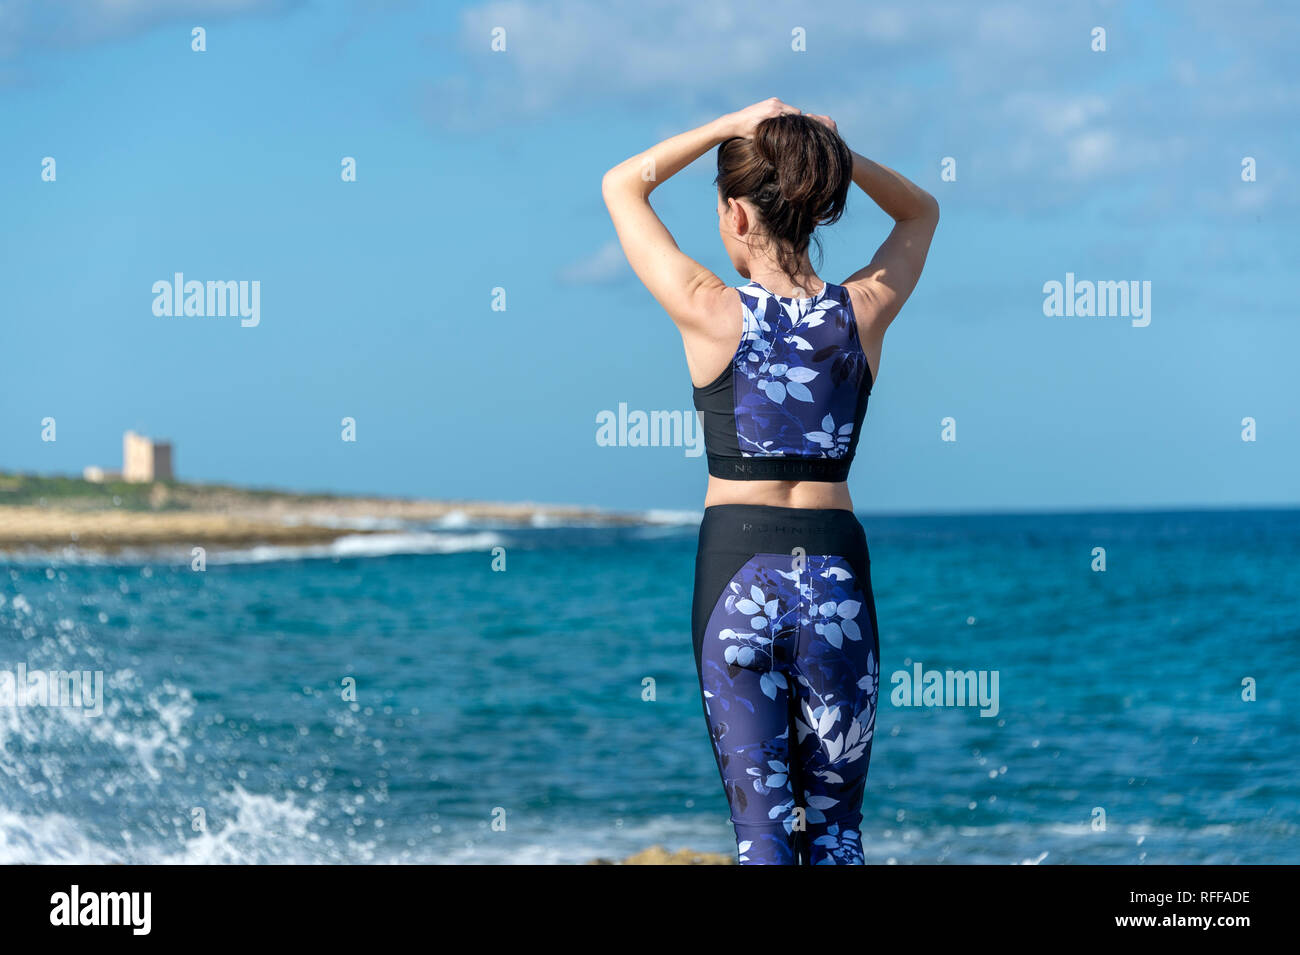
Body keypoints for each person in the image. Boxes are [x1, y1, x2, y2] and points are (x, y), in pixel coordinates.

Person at [601, 97, 939, 864]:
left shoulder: (708, 312)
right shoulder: (861, 312)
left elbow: (622, 185)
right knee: (836, 832)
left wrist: (727, 126)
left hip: (736, 578)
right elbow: (921, 211)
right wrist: (824, 156)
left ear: (737, 218)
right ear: (813, 207)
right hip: (835, 580)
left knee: (763, 838)